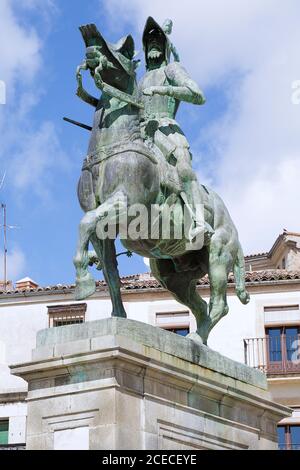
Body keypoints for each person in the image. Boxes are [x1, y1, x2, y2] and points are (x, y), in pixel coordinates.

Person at [139, 16, 214, 243]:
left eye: (157, 38)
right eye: (149, 39)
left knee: (182, 165)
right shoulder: (140, 80)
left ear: (164, 45)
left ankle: (200, 221)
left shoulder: (172, 69)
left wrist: (163, 90)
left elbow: (197, 95)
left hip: (166, 129)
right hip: (140, 134)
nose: (153, 42)